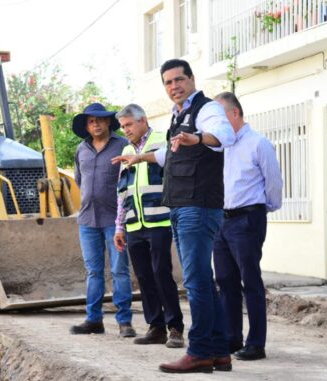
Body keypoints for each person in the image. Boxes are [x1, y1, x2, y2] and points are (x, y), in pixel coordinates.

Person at [112, 59, 235, 373]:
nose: (173, 86)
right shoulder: (178, 115)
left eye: (179, 79)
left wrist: (198, 138)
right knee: (203, 281)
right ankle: (219, 351)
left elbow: (224, 135)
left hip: (198, 204)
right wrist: (140, 157)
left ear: (192, 79)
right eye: (167, 82)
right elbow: (169, 153)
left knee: (195, 282)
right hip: (180, 206)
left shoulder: (207, 110)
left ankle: (199, 351)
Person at [213, 92, 283, 361]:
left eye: (220, 117)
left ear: (234, 113)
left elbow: (273, 182)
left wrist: (261, 210)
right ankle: (232, 338)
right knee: (225, 281)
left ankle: (256, 343)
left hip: (247, 219)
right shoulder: (221, 147)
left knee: (250, 280)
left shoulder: (258, 143)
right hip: (222, 220)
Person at [112, 104, 184, 348]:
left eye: (129, 125)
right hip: (134, 225)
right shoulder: (125, 149)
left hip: (159, 221)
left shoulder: (161, 141)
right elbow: (122, 192)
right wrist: (119, 227)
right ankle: (156, 326)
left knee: (161, 273)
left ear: (142, 120)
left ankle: (175, 327)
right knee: (143, 276)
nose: (126, 130)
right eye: (122, 127)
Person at [70, 103, 136, 338]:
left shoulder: (123, 146)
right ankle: (93, 319)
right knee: (93, 272)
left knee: (119, 270)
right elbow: (80, 180)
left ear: (108, 122)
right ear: (86, 126)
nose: (95, 124)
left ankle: (124, 322)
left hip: (114, 220)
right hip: (87, 220)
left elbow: (130, 181)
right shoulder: (81, 149)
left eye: (99, 120)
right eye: (90, 121)